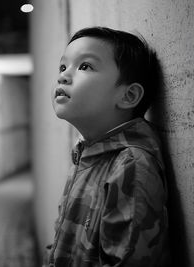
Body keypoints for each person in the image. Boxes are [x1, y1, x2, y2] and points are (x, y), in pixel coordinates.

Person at [47, 27, 171, 266]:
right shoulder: (86, 153)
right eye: (63, 67)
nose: (63, 76)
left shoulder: (131, 166)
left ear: (128, 96)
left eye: (85, 66)